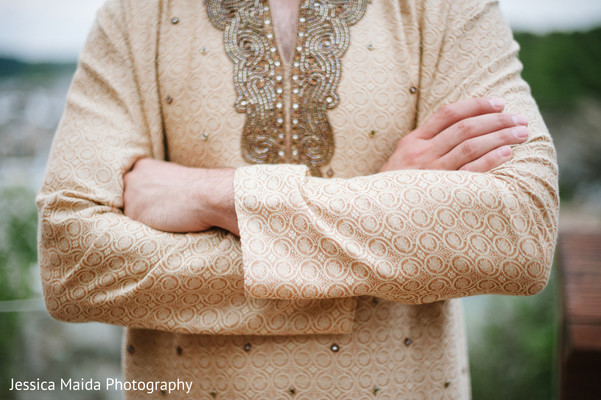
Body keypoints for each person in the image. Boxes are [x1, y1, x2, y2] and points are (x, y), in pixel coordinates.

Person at [37, 0, 559, 398]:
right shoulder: (139, 12)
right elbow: (72, 263)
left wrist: (213, 195)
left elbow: (520, 231)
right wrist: (384, 213)